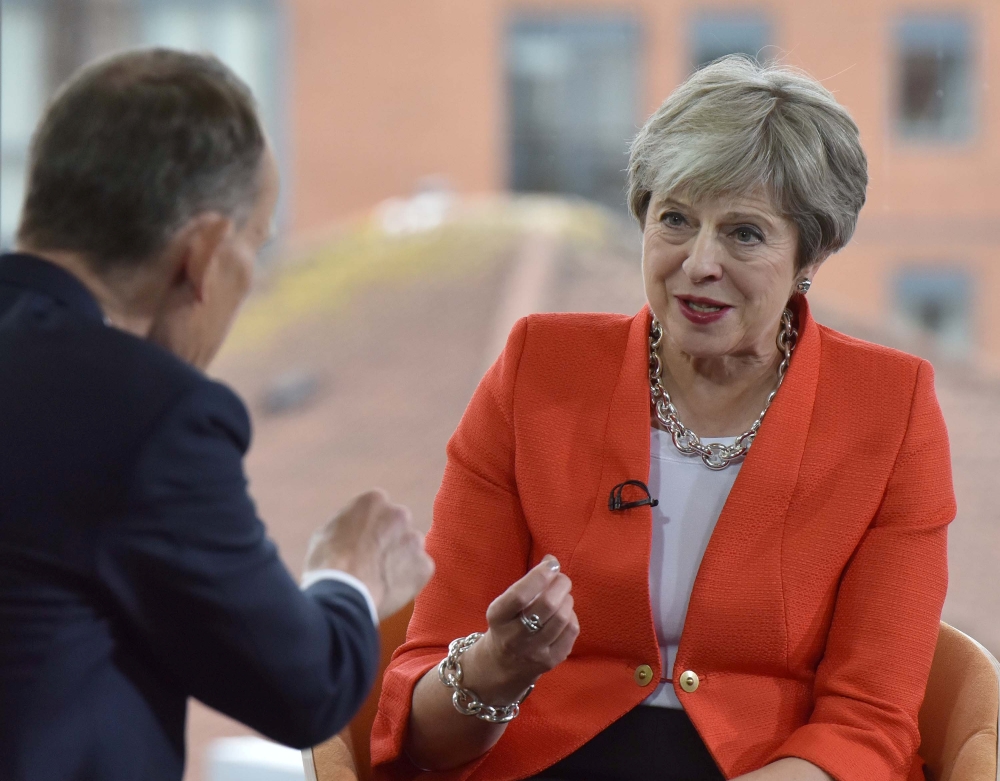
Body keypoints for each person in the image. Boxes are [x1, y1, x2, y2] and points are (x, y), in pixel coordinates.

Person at [370, 56, 955, 781]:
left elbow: (869, 723)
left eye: (744, 233)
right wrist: (497, 665)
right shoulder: (537, 369)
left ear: (812, 251)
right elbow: (417, 731)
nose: (699, 262)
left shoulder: (890, 409)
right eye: (676, 219)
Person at [0, 49, 433, 781]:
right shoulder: (141, 412)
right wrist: (349, 576)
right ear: (200, 252)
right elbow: (304, 686)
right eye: (254, 244)